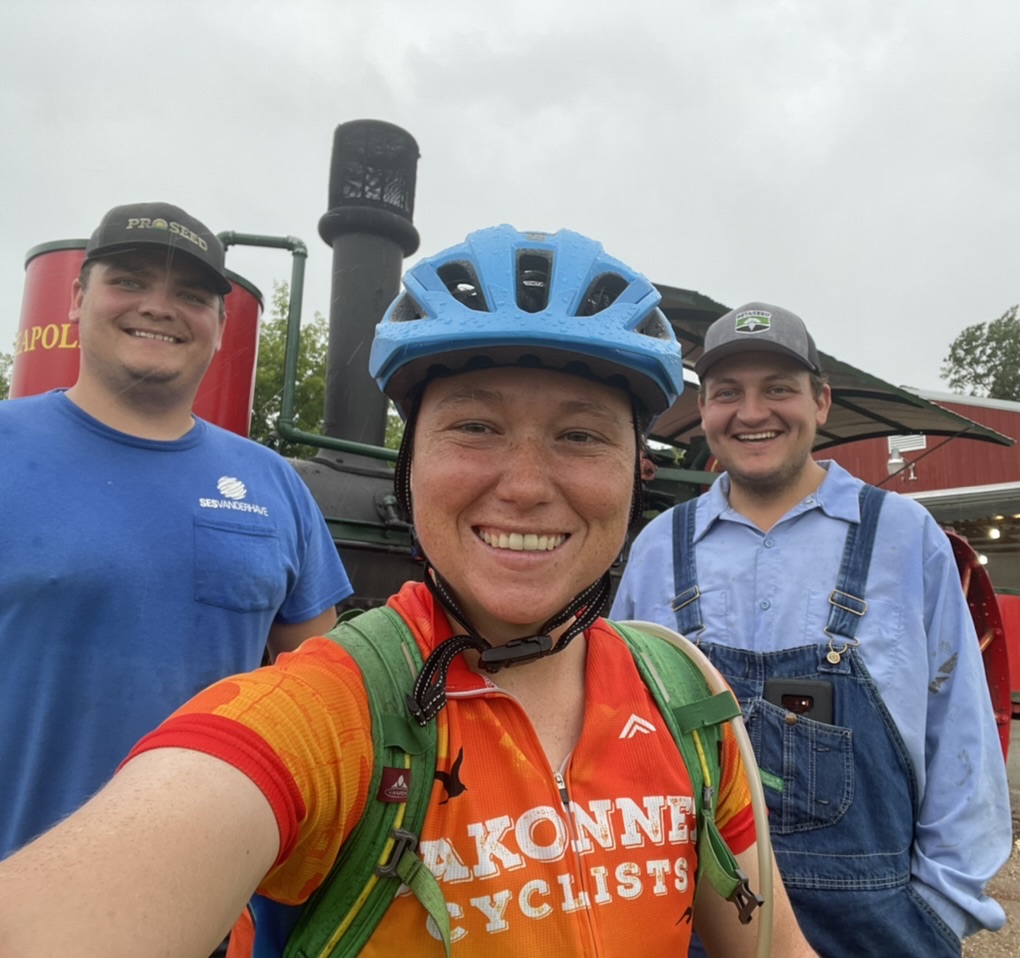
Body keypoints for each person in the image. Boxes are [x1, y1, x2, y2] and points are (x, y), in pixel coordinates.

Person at [0, 226, 817, 958]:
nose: (526, 486)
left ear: (634, 475)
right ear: (411, 464)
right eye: (474, 427)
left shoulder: (684, 695)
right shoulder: (329, 715)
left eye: (579, 436)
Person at [612, 302, 1012, 957]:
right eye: (726, 394)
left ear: (820, 402)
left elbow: (959, 728)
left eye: (778, 389)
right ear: (705, 411)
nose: (751, 412)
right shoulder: (659, 547)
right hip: (692, 921)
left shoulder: (903, 537)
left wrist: (941, 909)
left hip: (876, 928)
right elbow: (619, 733)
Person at [0, 202, 352, 863]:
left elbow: (324, 694)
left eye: (190, 295)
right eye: (129, 282)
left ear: (220, 328)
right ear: (76, 298)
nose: (159, 307)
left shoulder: (274, 485)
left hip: (203, 901)